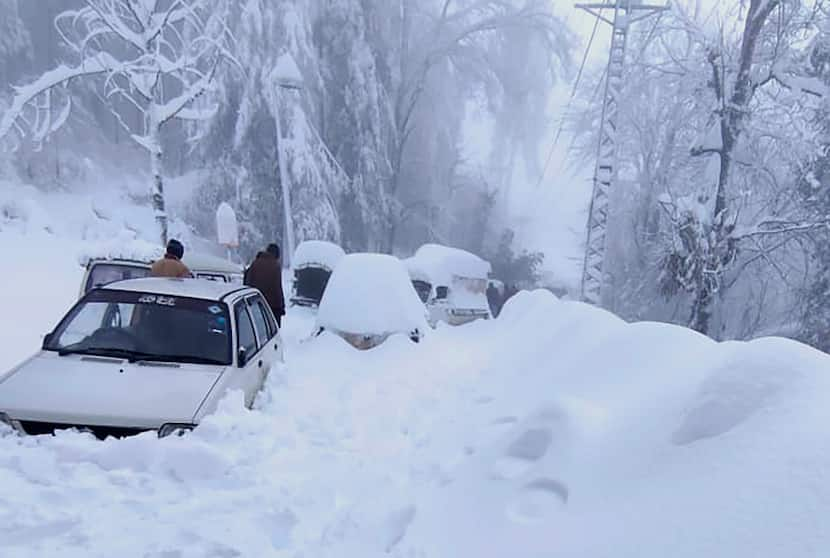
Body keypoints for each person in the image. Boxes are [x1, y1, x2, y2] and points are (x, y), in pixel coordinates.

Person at [244, 243, 286, 326]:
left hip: (254, 303)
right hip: (271, 306)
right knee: (272, 330)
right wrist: (281, 307)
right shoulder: (275, 266)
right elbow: (277, 288)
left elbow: (248, 282)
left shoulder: (255, 263)